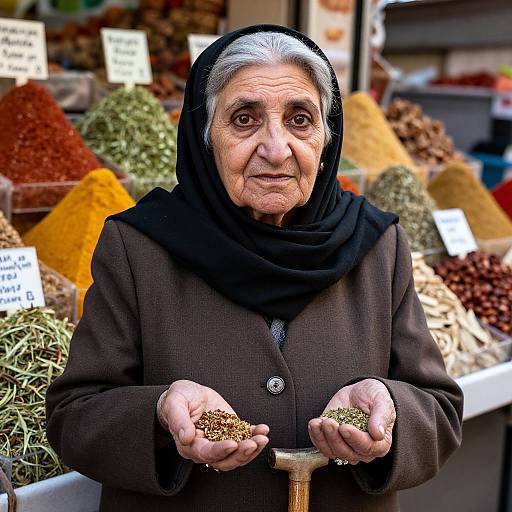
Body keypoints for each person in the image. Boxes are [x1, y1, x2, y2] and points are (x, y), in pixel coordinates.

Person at [46, 24, 463, 512]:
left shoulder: (377, 246)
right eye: (244, 119)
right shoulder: (139, 247)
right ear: (205, 137)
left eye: (300, 119)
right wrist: (160, 414)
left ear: (327, 138)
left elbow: (440, 411)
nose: (276, 147)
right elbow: (74, 416)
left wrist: (392, 408)